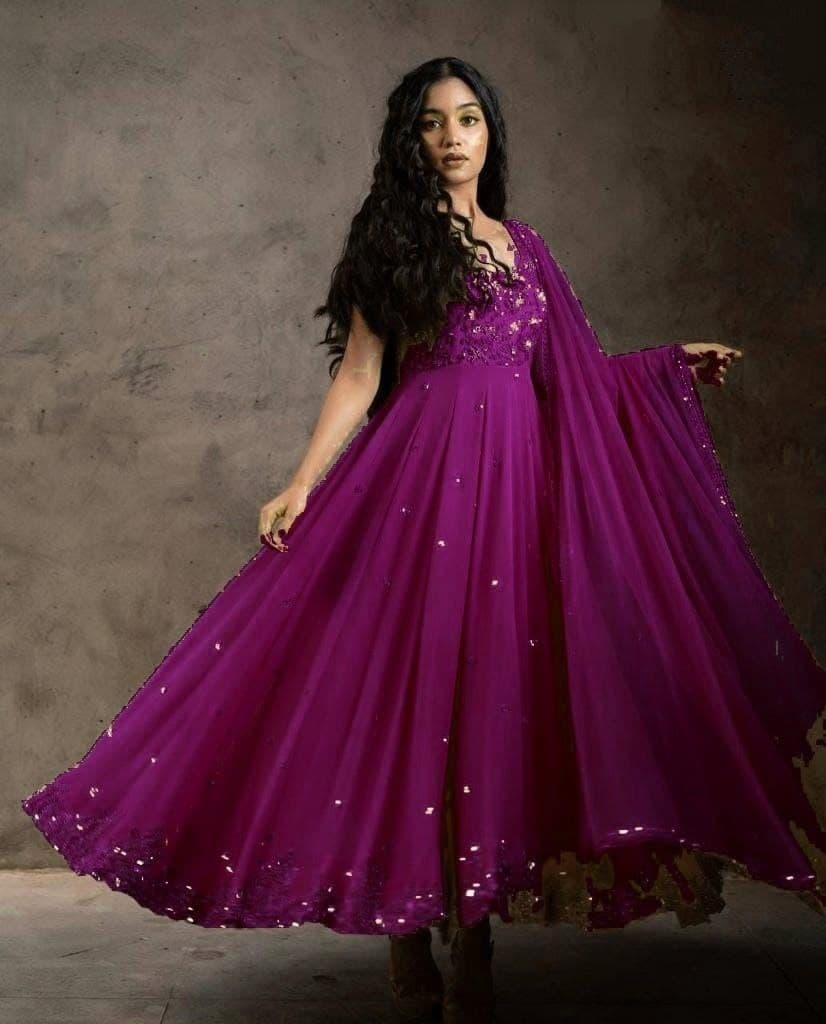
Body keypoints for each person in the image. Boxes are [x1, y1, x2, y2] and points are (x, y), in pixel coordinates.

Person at [21, 57, 824, 1024]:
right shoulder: (394, 242)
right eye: (434, 122)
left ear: (491, 134)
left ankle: (472, 936)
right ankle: (411, 928)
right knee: (419, 705)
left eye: (470, 119)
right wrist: (302, 480)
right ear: (411, 140)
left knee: (492, 704)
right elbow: (361, 375)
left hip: (518, 501)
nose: (453, 138)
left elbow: (569, 380)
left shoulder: (528, 250)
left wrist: (664, 366)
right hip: (420, 493)